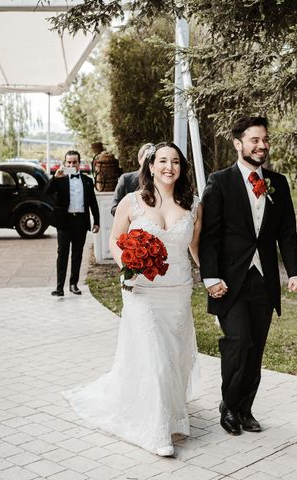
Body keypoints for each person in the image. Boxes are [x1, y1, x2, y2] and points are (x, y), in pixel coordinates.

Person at [63, 142, 202, 457]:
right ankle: (156, 431)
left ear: (182, 168)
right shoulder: (132, 202)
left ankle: (170, 412)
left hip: (178, 291)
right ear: (151, 166)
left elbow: (195, 248)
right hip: (141, 290)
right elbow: (114, 239)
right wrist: (127, 262)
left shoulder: (194, 204)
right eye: (163, 161)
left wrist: (212, 277)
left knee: (174, 358)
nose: (169, 167)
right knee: (152, 354)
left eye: (176, 162)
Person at [199, 116, 297, 436]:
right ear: (238, 143)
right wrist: (211, 277)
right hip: (229, 280)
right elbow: (208, 236)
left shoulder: (278, 183)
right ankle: (228, 406)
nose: (261, 146)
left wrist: (294, 272)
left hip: (264, 279)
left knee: (255, 347)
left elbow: (287, 232)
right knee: (238, 342)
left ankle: (245, 408)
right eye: (254, 140)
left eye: (265, 140)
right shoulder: (220, 181)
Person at [45, 151, 100, 297]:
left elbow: (93, 203)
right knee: (62, 254)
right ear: (65, 163)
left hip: (80, 222)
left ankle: (73, 284)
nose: (71, 165)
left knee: (77, 254)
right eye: (69, 162)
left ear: (79, 163)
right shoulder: (60, 179)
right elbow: (46, 192)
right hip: (64, 221)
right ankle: (59, 287)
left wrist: (97, 221)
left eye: (74, 162)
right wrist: (54, 178)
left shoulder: (87, 181)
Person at [110, 143, 155, 216]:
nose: (149, 162)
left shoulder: (160, 181)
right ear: (140, 159)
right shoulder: (126, 179)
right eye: (147, 158)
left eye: (153, 159)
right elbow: (114, 208)